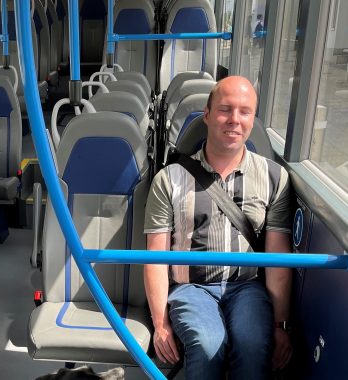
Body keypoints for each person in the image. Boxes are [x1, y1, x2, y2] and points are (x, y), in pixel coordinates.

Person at [143, 76, 293, 379]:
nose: (234, 120)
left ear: (253, 119)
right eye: (225, 110)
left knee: (253, 344)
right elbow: (155, 258)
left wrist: (279, 325)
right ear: (208, 115)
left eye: (245, 112)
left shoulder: (275, 179)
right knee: (208, 343)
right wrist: (160, 324)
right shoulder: (169, 179)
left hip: (247, 288)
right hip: (191, 288)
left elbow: (278, 259)